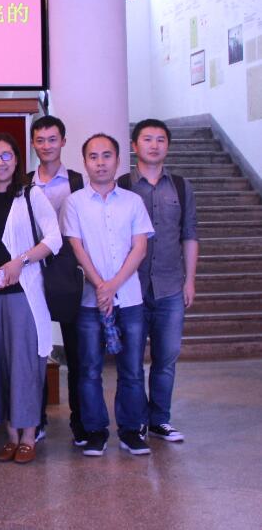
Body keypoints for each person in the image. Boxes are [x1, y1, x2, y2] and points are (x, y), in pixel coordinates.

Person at [0, 133, 61, 464]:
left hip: (24, 297)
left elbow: (54, 238)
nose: (0, 162)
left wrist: (22, 261)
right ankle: (10, 436)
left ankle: (28, 436)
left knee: (24, 364)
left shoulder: (31, 195)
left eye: (6, 156)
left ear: (17, 160)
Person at [63, 133, 154, 457]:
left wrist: (112, 285)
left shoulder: (132, 202)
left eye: (106, 156)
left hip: (129, 300)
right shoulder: (74, 202)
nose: (100, 163)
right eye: (93, 157)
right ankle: (95, 431)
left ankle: (131, 431)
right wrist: (101, 285)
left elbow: (139, 247)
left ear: (117, 160)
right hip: (90, 302)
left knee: (132, 369)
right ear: (84, 162)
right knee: (89, 370)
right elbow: (77, 248)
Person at [120, 119, 198, 443]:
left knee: (166, 359)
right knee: (131, 361)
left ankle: (159, 420)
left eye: (160, 139)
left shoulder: (180, 186)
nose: (154, 145)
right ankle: (136, 421)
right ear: (134, 145)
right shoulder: (122, 185)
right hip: (131, 288)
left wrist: (190, 281)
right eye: (147, 139)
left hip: (169, 287)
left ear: (168, 146)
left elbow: (189, 235)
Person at [26, 115, 87, 446]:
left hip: (68, 272)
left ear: (63, 141)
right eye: (40, 140)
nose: (46, 145)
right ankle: (35, 419)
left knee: (77, 352)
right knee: (34, 350)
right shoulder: (24, 184)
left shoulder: (78, 181)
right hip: (32, 271)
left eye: (52, 139)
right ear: (33, 144)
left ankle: (81, 421)